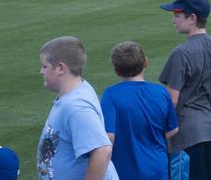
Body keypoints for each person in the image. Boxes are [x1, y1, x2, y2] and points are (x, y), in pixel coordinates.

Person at [158, 0, 211, 180]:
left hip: (186, 137)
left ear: (192, 18)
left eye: (177, 15)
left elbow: (171, 101)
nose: (174, 20)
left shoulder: (181, 52)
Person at [37, 36, 118, 180]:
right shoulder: (74, 92)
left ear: (61, 68)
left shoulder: (76, 107)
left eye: (45, 66)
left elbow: (103, 150)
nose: (41, 72)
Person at [100, 42, 178, 180]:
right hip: (157, 168)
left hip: (124, 170)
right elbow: (173, 129)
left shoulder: (111, 95)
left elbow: (109, 136)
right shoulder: (161, 92)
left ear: (116, 70)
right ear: (145, 62)